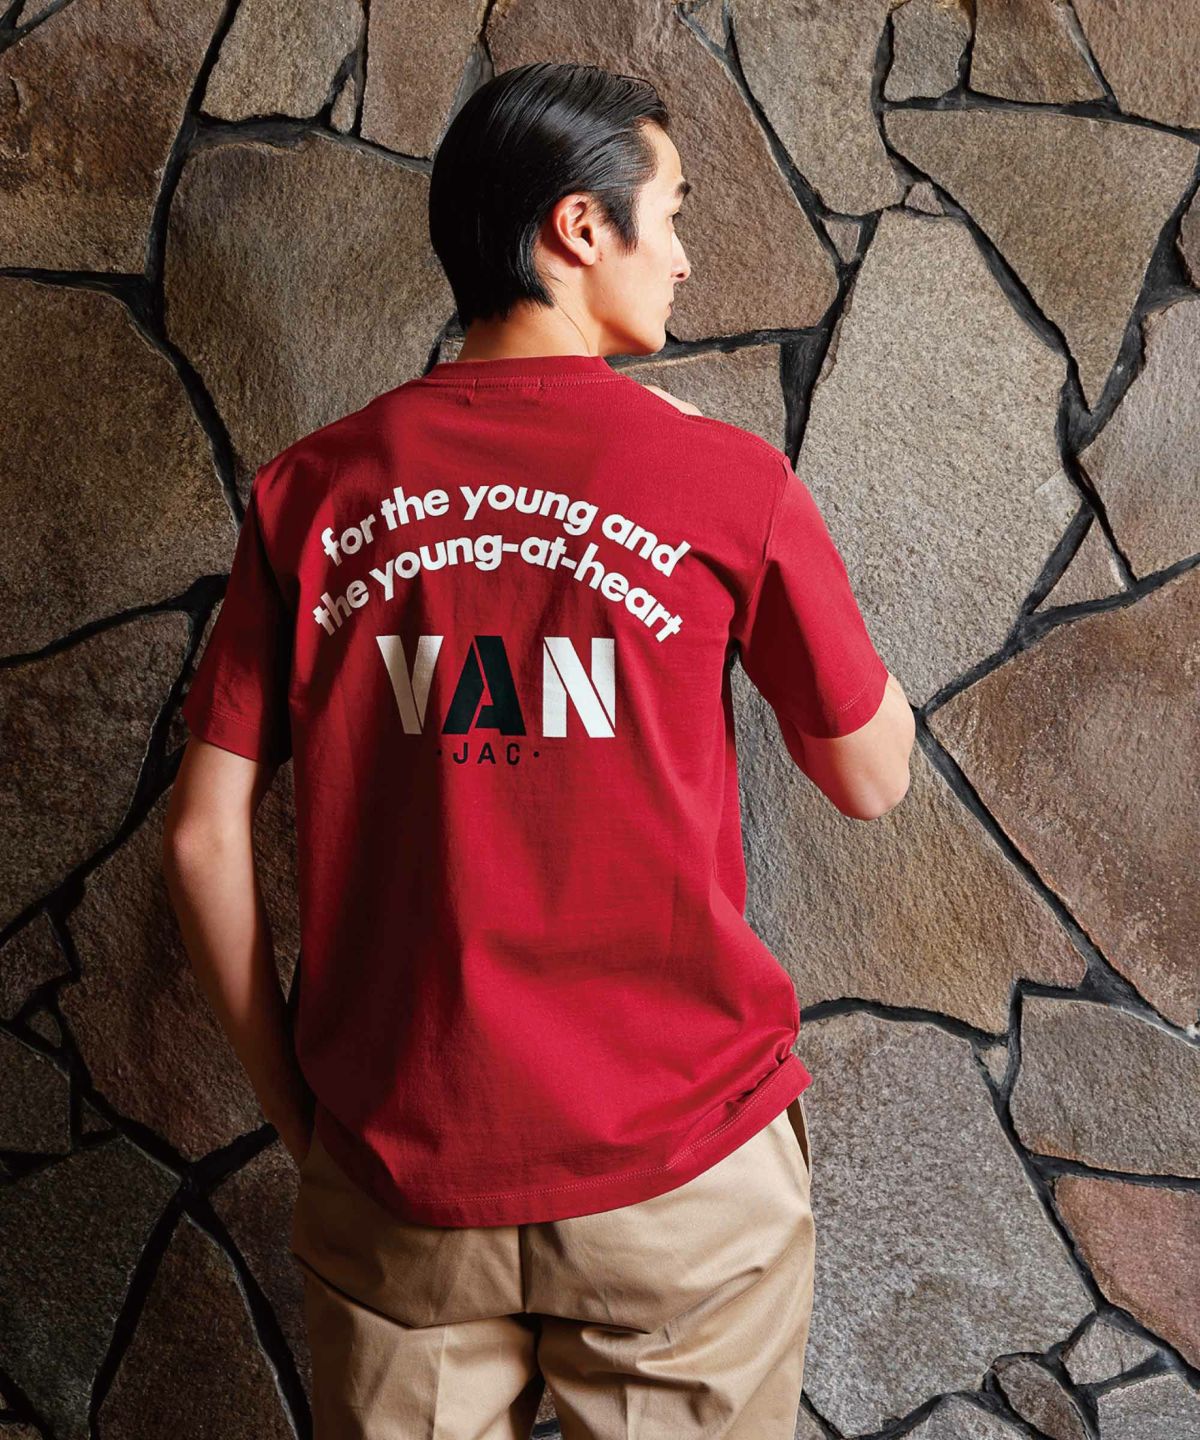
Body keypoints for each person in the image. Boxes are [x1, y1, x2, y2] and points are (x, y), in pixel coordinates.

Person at [162, 59, 914, 1440]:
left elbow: (205, 839)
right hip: (679, 1173)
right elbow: (873, 778)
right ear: (580, 227)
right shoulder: (723, 478)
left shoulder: (314, 487)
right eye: (670, 216)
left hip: (400, 1173)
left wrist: (302, 1117)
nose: (683, 259)